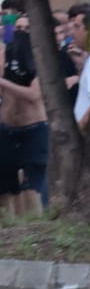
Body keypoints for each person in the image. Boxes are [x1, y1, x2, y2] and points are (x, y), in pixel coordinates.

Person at [0, 29, 48, 217]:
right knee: (5, 189)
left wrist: (3, 83)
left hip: (33, 130)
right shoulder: (4, 66)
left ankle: (36, 228)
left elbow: (34, 95)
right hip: (7, 130)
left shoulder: (37, 67)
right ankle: (9, 227)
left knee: (31, 189)